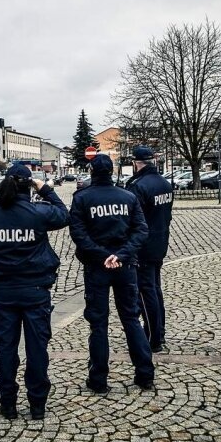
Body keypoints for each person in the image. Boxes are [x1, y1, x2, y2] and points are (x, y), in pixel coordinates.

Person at [0, 163, 69, 420]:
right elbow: (64, 214)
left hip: (4, 291)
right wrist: (44, 188)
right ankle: (37, 405)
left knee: (6, 348)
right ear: (28, 185)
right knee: (37, 349)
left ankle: (8, 404)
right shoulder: (38, 212)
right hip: (36, 290)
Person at [69, 154, 155, 393]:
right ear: (112, 170)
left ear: (92, 171)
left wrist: (102, 255)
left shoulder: (82, 198)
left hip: (97, 267)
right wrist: (121, 255)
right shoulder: (128, 197)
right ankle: (145, 374)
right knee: (131, 319)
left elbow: (78, 234)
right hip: (125, 266)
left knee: (98, 324)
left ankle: (98, 379)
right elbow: (140, 230)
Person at [125, 146, 173, 352]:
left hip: (143, 245)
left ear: (136, 163)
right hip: (160, 240)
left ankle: (153, 337)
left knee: (146, 291)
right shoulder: (164, 183)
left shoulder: (138, 186)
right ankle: (159, 330)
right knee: (154, 288)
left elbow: (132, 219)